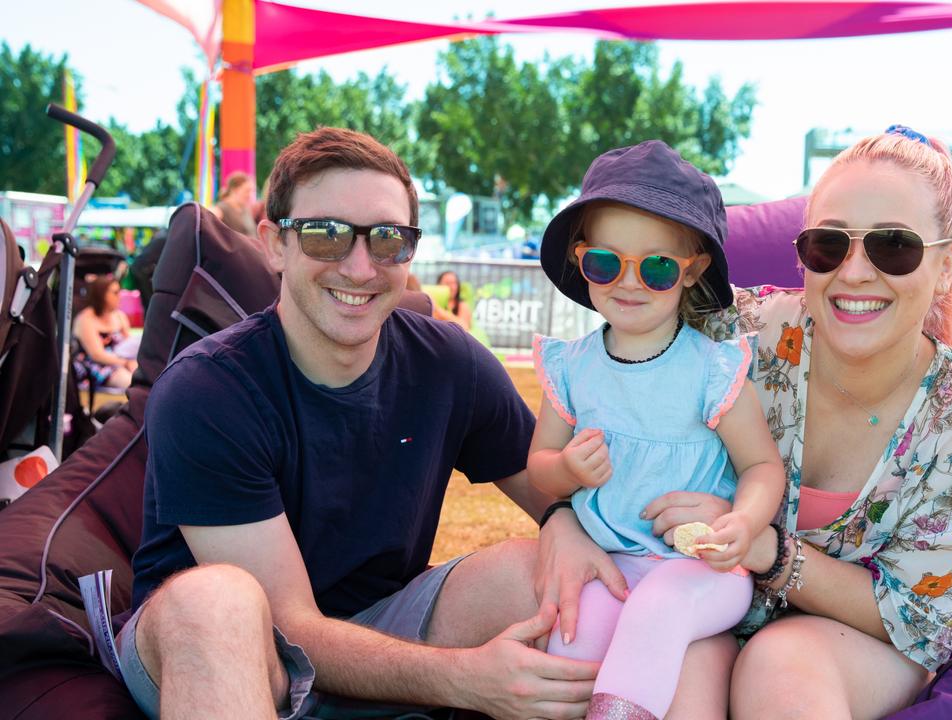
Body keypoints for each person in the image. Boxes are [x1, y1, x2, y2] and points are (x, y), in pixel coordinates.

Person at [118, 127, 608, 720]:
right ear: (274, 245)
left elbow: (561, 496)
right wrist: (462, 679)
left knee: (536, 574)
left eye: (388, 239)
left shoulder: (448, 363)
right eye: (326, 235)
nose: (359, 267)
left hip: (377, 621)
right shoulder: (208, 389)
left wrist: (563, 524)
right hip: (230, 650)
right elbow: (290, 627)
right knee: (215, 600)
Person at [543, 125, 952, 719]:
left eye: (893, 246)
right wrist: (558, 520)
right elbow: (615, 341)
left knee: (779, 664)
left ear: (947, 265)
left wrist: (764, 547)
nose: (855, 272)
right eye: (829, 245)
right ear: (803, 255)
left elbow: (917, 616)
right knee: (672, 670)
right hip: (706, 595)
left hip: (860, 638)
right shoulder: (735, 333)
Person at [529, 140, 785, 720]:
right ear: (580, 260)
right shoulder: (571, 367)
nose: (629, 282)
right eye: (604, 262)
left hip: (699, 569)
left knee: (657, 612)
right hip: (608, 560)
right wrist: (566, 470)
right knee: (573, 634)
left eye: (658, 266)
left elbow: (763, 466)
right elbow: (539, 464)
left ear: (690, 271)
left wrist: (743, 521)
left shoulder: (712, 369)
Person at [72, 274, 137, 389]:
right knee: (129, 381)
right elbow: (97, 355)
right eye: (115, 293)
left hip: (119, 363)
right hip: (96, 367)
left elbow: (130, 343)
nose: (120, 297)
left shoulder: (119, 316)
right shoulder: (86, 319)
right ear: (102, 295)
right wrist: (125, 363)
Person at [212, 170, 258, 237]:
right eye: (247, 191)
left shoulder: (245, 209)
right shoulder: (222, 208)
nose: (250, 195)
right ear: (235, 190)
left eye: (252, 191)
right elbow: (205, 218)